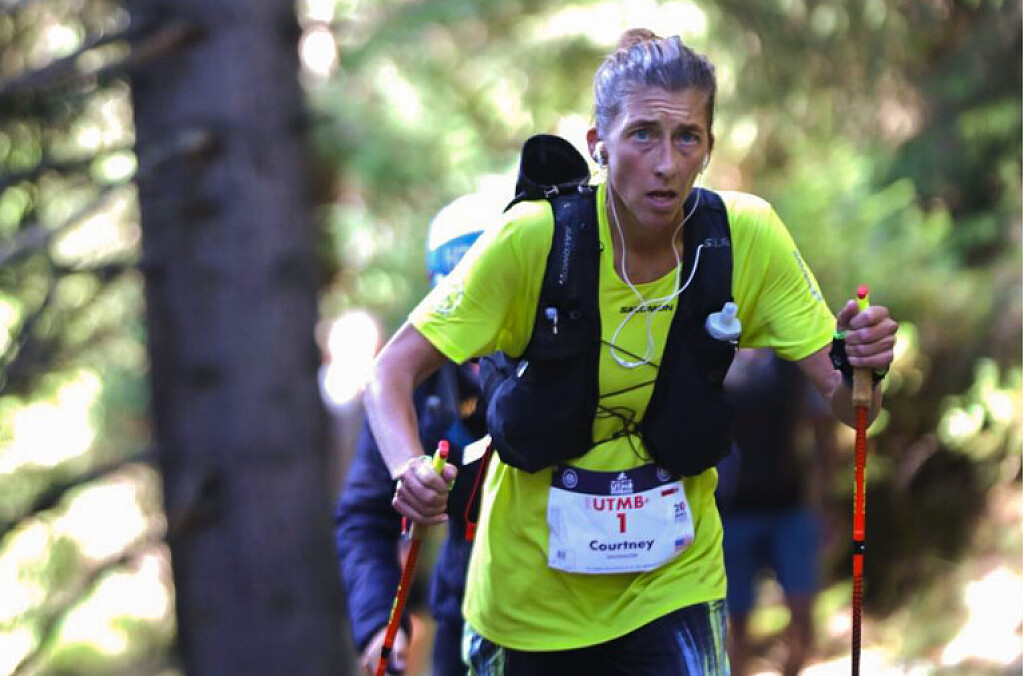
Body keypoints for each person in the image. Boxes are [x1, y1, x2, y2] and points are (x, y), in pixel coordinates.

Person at [363, 29, 897, 676]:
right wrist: (407, 468)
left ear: (709, 147)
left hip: (676, 584)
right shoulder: (533, 240)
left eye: (687, 137)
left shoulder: (746, 238)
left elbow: (849, 403)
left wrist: (863, 366)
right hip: (529, 600)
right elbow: (391, 371)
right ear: (600, 143)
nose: (666, 163)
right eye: (643, 134)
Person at [334, 195, 493, 676]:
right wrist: (379, 625)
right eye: (457, 304)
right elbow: (366, 513)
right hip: (464, 615)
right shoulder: (410, 381)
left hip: (576, 618)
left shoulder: (561, 360)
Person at [716, 349, 837, 676]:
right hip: (732, 512)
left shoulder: (795, 361)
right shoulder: (713, 357)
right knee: (734, 625)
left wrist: (828, 501)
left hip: (791, 506)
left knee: (803, 616)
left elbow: (822, 430)